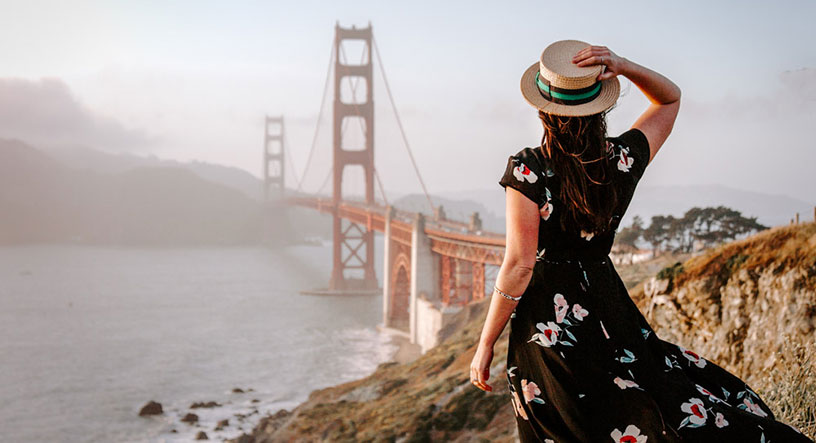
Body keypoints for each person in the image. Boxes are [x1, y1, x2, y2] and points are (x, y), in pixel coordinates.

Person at [468, 40, 813, 443]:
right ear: (600, 104)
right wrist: (624, 65)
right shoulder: (622, 158)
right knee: (642, 399)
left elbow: (519, 266)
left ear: (544, 107)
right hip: (608, 306)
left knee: (565, 425)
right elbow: (670, 100)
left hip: (548, 322)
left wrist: (485, 342)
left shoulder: (528, 168)